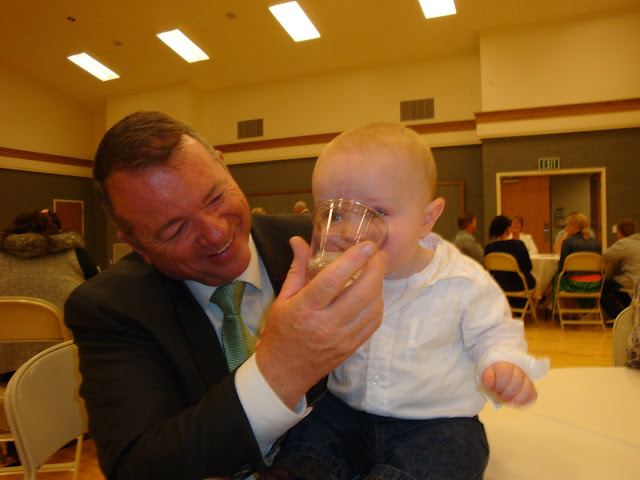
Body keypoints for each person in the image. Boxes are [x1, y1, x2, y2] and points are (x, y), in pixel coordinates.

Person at [63, 111, 388, 480]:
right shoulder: (111, 307)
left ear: (223, 165)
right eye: (175, 229)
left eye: (215, 197)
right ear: (137, 246)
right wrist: (283, 368)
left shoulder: (318, 242)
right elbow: (137, 466)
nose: (216, 234)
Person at [270, 123, 548, 480]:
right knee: (311, 435)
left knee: (456, 451)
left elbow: (493, 333)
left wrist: (502, 363)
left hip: (436, 422)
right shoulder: (333, 278)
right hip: (346, 411)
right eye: (335, 215)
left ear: (426, 219)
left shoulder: (463, 282)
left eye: (378, 212)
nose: (350, 231)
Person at [0, 208, 98, 311]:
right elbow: (96, 289)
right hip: (64, 320)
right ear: (55, 230)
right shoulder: (75, 253)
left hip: (6, 320)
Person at [552, 212, 602, 309]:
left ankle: (567, 312)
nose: (566, 227)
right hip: (595, 284)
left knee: (558, 277)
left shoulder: (568, 242)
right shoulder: (596, 244)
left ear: (574, 226)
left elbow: (563, 268)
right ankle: (582, 310)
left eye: (567, 224)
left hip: (575, 284)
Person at [484, 215, 536, 308]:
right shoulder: (519, 245)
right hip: (519, 284)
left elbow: (491, 271)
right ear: (508, 228)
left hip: (499, 284)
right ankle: (527, 308)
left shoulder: (489, 248)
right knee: (534, 279)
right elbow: (529, 267)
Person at [601, 218, 640, 319]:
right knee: (618, 291)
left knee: (600, 288)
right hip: (636, 280)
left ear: (619, 232)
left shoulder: (624, 244)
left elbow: (603, 256)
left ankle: (619, 317)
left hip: (631, 280)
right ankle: (631, 314)